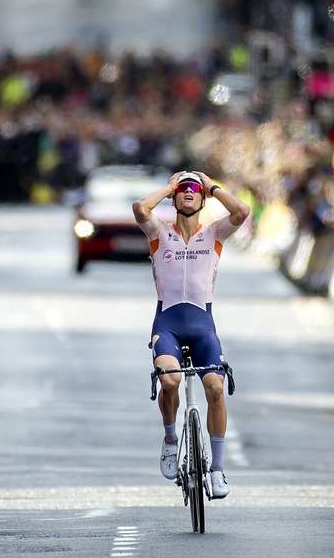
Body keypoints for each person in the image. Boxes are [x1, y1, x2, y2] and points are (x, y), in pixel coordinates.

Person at [132, 171, 250, 499]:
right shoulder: (159, 233)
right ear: (174, 197)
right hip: (167, 325)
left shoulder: (213, 234)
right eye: (182, 189)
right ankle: (171, 440)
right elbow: (141, 208)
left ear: (202, 199)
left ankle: (217, 470)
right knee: (170, 381)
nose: (188, 192)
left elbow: (241, 212)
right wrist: (170, 186)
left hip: (203, 328)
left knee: (215, 387)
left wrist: (211, 186)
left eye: (193, 189)